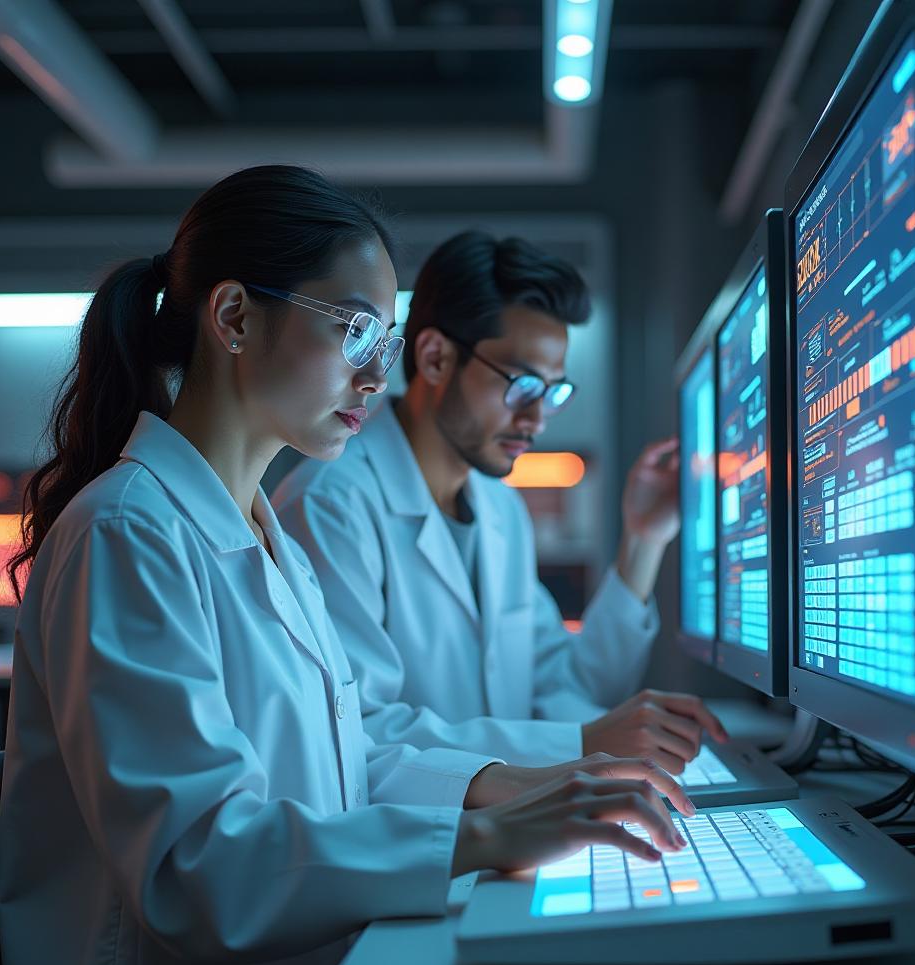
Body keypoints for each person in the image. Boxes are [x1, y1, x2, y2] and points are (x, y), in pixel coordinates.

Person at [0, 167, 693, 965]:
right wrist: (486, 835)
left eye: (384, 344)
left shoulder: (259, 533)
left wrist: (522, 788)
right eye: (355, 329)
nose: (374, 377)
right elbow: (195, 866)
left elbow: (348, 760)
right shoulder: (127, 532)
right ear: (234, 318)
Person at [272, 230, 729, 774]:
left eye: (553, 391)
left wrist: (643, 539)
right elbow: (358, 733)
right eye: (523, 384)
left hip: (509, 822)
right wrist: (580, 744)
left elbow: (570, 688)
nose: (536, 419)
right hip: (427, 836)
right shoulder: (331, 504)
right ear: (437, 358)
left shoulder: (498, 507)